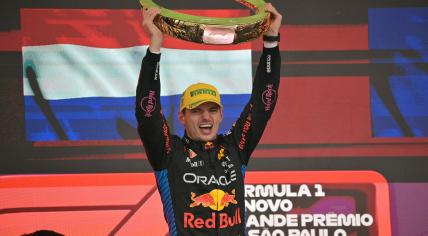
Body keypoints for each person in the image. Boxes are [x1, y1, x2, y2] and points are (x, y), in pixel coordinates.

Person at [136, 3, 282, 235]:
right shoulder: (168, 153)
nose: (206, 117)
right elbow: (148, 114)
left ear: (221, 114)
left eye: (212, 110)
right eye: (196, 111)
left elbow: (264, 103)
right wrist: (155, 46)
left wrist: (271, 40)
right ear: (182, 116)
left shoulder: (236, 147)